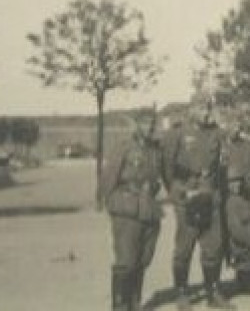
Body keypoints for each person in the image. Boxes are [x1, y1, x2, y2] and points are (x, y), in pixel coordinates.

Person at [163, 102, 235, 311]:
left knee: (213, 246)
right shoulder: (178, 133)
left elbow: (223, 164)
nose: (206, 112)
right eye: (202, 108)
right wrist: (178, 190)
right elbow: (167, 167)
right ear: (192, 110)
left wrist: (217, 192)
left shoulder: (218, 134)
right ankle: (182, 294)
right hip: (187, 193)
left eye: (208, 108)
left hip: (210, 194)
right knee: (185, 247)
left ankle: (213, 292)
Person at [98, 117, 163, 311]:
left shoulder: (155, 150)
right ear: (135, 126)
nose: (149, 127)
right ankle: (120, 305)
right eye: (144, 124)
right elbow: (108, 178)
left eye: (151, 124)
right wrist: (112, 204)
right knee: (126, 260)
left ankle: (135, 303)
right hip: (127, 209)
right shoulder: (124, 147)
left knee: (143, 259)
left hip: (149, 208)